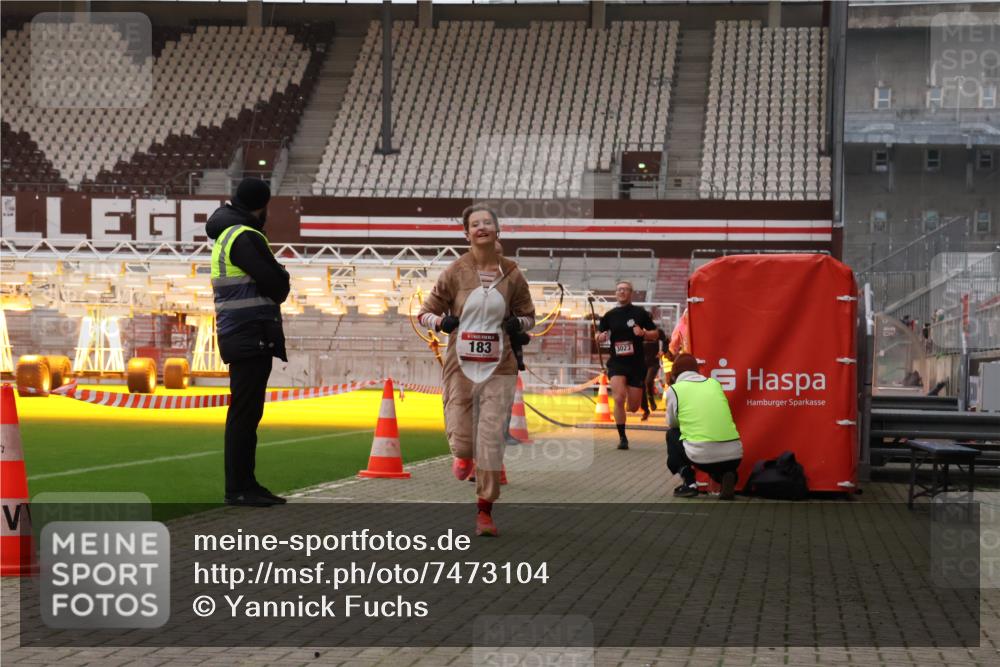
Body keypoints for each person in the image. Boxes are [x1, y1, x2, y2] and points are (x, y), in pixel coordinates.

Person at [417, 205, 535, 536]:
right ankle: (462, 456)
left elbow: (529, 316)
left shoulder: (512, 274)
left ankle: (485, 511)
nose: (482, 227)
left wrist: (517, 323)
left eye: (488, 223)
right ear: (466, 234)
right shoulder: (454, 272)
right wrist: (442, 322)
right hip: (461, 366)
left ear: (497, 232)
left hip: (501, 366)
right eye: (475, 224)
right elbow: (423, 313)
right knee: (464, 443)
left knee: (491, 439)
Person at [206, 178, 290, 507]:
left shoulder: (230, 233)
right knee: (244, 414)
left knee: (246, 413)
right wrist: (281, 273)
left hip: (243, 332)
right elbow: (277, 286)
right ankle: (239, 487)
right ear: (262, 205)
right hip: (249, 333)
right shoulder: (244, 236)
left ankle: (246, 484)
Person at [665, 354, 743, 501]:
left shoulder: (675, 390)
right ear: (696, 370)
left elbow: (672, 423)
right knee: (717, 454)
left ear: (675, 374)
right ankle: (725, 474)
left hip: (702, 455)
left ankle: (690, 484)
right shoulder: (714, 383)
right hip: (734, 455)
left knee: (672, 434)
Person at [595, 281, 659, 450]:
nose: (621, 292)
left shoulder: (640, 313)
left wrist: (644, 333)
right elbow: (599, 333)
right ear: (616, 293)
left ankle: (632, 408)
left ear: (631, 293)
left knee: (633, 407)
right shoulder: (609, 315)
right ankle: (622, 437)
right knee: (618, 398)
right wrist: (599, 337)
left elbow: (656, 333)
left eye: (624, 290)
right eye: (618, 290)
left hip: (637, 364)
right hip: (617, 362)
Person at [640, 326, 669, 421]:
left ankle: (651, 400)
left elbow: (666, 341)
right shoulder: (639, 332)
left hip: (654, 363)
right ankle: (645, 410)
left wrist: (662, 351)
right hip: (642, 363)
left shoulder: (657, 331)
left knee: (648, 381)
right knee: (642, 385)